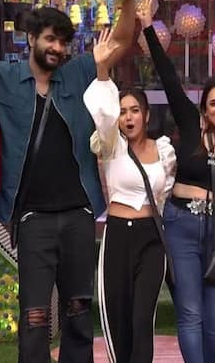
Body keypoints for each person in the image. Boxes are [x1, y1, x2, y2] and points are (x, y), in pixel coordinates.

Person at [0, 0, 137, 362]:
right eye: (50, 39)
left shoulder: (77, 73)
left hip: (79, 213)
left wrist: (128, 0)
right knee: (35, 315)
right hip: (32, 218)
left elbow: (121, 41)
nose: (57, 48)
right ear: (32, 39)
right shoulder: (3, 76)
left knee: (78, 309)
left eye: (63, 42)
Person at [137, 0, 215, 362]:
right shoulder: (190, 127)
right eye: (214, 102)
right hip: (180, 226)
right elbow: (169, 77)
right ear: (204, 110)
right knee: (191, 313)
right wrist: (148, 28)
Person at [83, 29, 176, 362]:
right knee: (118, 320)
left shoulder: (164, 150)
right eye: (123, 111)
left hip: (151, 239)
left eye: (135, 110)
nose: (128, 116)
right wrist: (102, 70)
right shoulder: (111, 145)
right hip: (118, 238)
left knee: (141, 320)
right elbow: (103, 117)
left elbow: (166, 195)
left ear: (146, 115)